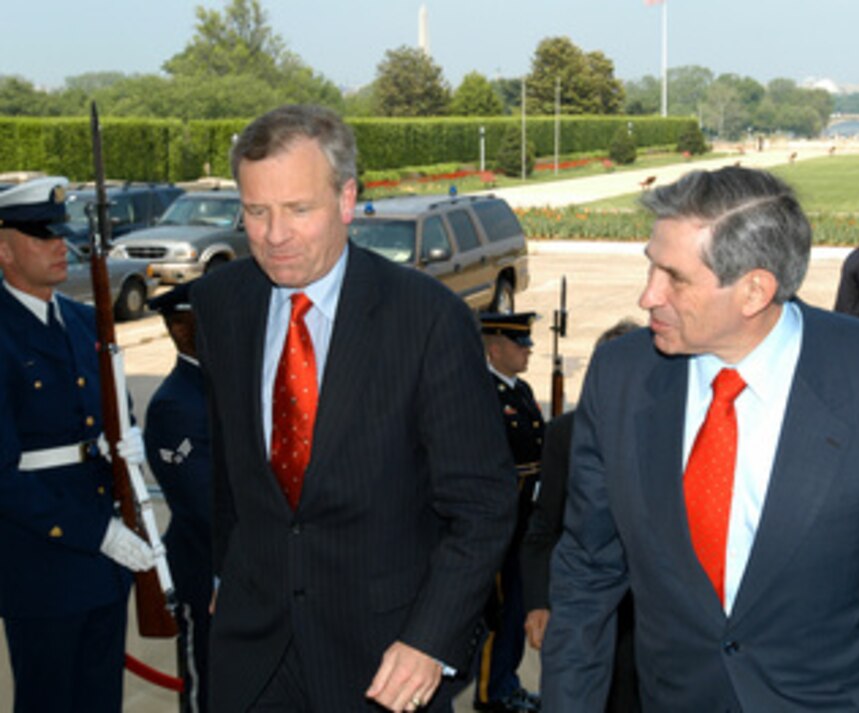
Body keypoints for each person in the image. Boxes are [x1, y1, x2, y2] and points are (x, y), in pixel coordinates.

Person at [541, 166, 859, 711]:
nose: (647, 297)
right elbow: (587, 574)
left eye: (674, 278)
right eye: (650, 268)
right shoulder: (621, 375)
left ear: (754, 290)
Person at [189, 104, 517, 712]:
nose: (275, 235)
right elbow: (229, 465)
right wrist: (224, 573)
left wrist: (429, 640)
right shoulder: (219, 306)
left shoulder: (426, 319)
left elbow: (484, 505)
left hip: (384, 660)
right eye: (256, 212)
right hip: (251, 655)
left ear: (345, 200)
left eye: (298, 210)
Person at [0, 177, 154, 712]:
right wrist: (97, 532)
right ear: (3, 247)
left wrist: (129, 443)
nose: (58, 246)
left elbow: (118, 413)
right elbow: (3, 475)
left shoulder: (86, 320)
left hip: (104, 563)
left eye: (60, 234)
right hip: (42, 558)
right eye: (41, 235)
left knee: (99, 700)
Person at [521, 318, 642, 713]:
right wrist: (539, 601)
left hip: (651, 619)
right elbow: (544, 527)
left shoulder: (678, 432)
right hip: (587, 610)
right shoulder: (565, 434)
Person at [143, 282, 212, 713]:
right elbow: (203, 505)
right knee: (210, 694)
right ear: (183, 329)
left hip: (252, 579)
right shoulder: (176, 405)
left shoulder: (227, 383)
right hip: (206, 576)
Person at [474, 311, 545, 713]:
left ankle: (507, 681)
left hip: (525, 520)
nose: (527, 353)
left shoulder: (520, 390)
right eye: (520, 346)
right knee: (498, 613)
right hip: (500, 520)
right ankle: (490, 691)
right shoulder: (484, 393)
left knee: (517, 606)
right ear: (495, 347)